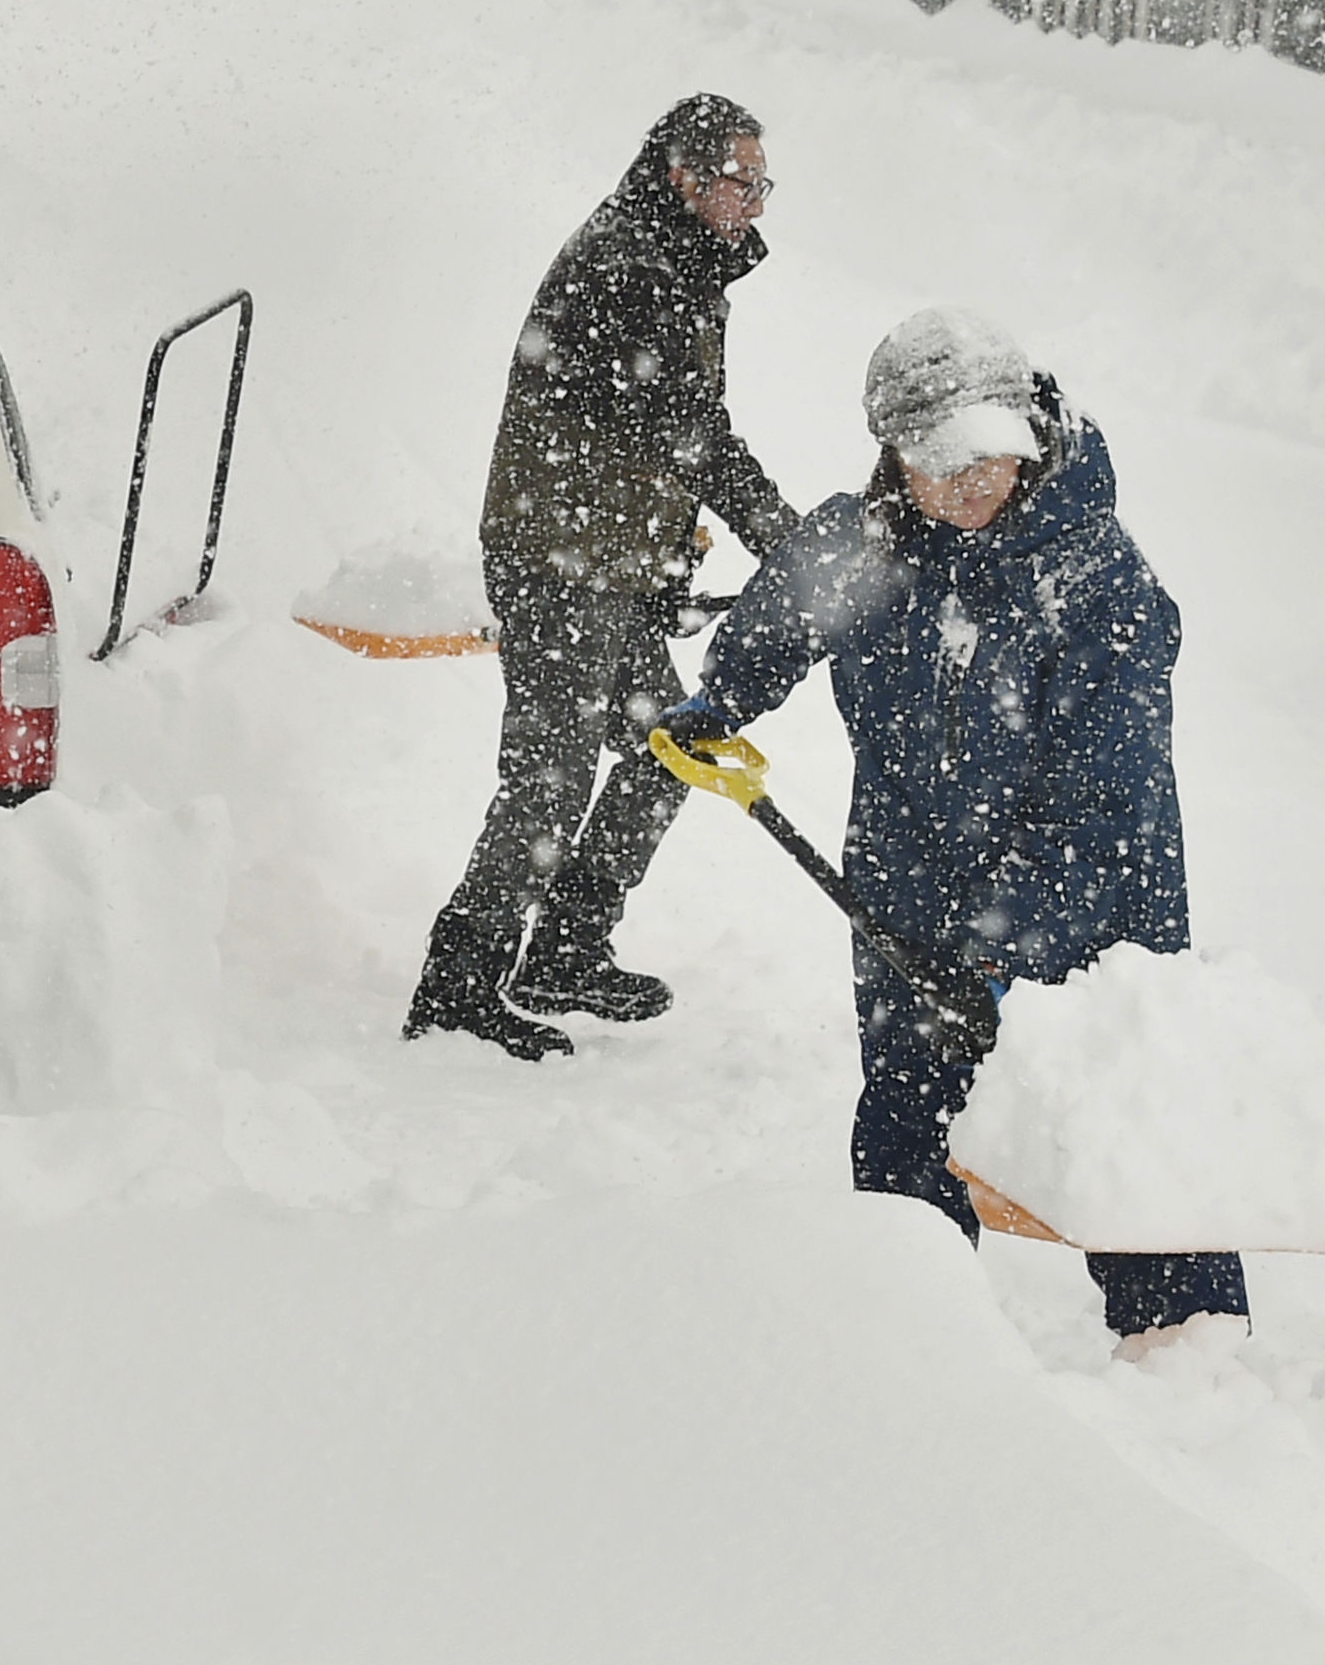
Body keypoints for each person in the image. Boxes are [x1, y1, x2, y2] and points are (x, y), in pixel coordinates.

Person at [660, 308, 1247, 1358]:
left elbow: (1103, 796)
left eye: (990, 455)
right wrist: (719, 702)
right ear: (893, 454)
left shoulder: (1095, 578)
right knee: (904, 1110)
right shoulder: (866, 539)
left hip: (1089, 895)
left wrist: (1002, 936)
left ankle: (1185, 1337)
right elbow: (784, 610)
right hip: (909, 877)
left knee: (1111, 1108)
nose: (970, 481)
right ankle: (903, 1325)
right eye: (940, 462)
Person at [407, 92, 798, 1059]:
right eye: (743, 182)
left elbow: (663, 441)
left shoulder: (678, 260)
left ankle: (566, 950)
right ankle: (459, 983)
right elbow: (689, 437)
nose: (756, 203)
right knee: (552, 772)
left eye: (764, 183)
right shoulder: (635, 268)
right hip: (557, 554)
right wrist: (786, 540)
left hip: (605, 553)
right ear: (685, 175)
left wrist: (665, 567)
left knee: (670, 749)